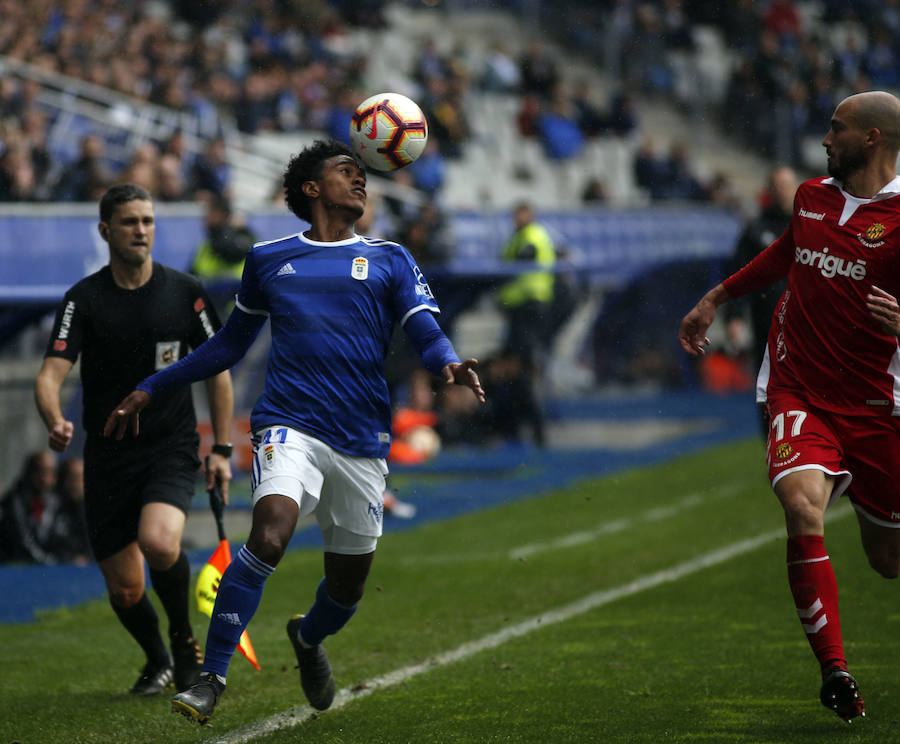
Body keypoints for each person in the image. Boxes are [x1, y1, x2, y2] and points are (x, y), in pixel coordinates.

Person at [103, 139, 485, 725]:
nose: (360, 180)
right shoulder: (268, 259)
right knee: (270, 533)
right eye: (346, 171)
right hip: (289, 424)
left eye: (362, 174)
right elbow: (228, 345)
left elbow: (427, 332)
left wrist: (449, 364)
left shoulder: (390, 257)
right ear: (311, 188)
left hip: (361, 439)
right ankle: (211, 677)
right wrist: (153, 386)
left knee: (347, 589)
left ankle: (307, 637)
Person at [678, 90, 900, 722]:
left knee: (887, 562)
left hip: (876, 403)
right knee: (802, 506)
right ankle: (835, 671)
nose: (826, 139)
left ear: (872, 139)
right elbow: (787, 251)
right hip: (798, 387)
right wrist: (717, 297)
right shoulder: (811, 197)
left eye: (837, 128)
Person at [34, 183, 235, 696]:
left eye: (147, 221)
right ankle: (157, 659)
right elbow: (50, 374)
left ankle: (184, 641)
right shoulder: (83, 300)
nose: (141, 230)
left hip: (170, 447)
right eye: (129, 222)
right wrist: (55, 419)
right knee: (126, 589)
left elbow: (218, 371)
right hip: (107, 456)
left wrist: (221, 449)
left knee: (160, 541)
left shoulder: (184, 291)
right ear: (106, 231)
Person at [726, 165, 799, 435]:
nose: (782, 191)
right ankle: (772, 443)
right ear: (769, 190)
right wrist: (734, 316)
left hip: (806, 325)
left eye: (787, 185)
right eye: (777, 186)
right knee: (768, 390)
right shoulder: (756, 230)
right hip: (767, 324)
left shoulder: (810, 224)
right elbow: (740, 274)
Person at [0, 451, 62, 564]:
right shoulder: (13, 502)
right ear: (28, 472)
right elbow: (22, 541)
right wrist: (49, 562)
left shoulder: (57, 501)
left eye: (50, 471)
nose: (45, 478)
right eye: (40, 471)